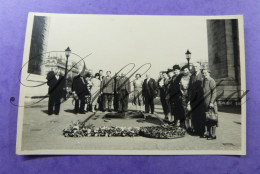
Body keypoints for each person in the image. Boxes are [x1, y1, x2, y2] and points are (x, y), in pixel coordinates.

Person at [189, 63, 206, 136]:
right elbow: (190, 87)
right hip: (193, 98)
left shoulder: (202, 75)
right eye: (194, 67)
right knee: (194, 114)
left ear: (199, 68)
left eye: (196, 67)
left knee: (201, 115)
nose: (195, 68)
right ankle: (196, 130)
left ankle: (201, 131)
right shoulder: (192, 76)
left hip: (200, 98)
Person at [202, 68, 218, 140]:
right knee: (207, 118)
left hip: (211, 103)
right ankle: (208, 133)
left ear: (209, 73)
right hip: (205, 103)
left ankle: (213, 134)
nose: (204, 74)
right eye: (203, 73)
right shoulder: (203, 80)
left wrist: (211, 102)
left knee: (213, 118)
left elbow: (214, 92)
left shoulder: (211, 80)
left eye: (206, 73)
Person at [179, 65, 193, 131]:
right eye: (184, 70)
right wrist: (182, 92)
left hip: (191, 95)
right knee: (185, 111)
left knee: (191, 110)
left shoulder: (191, 77)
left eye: (186, 70)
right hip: (184, 95)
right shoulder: (182, 78)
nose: (185, 71)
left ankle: (192, 126)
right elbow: (180, 87)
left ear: (188, 70)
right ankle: (187, 126)